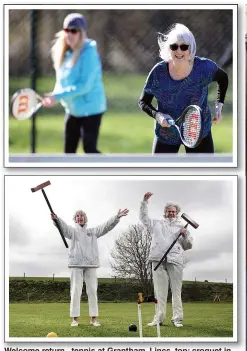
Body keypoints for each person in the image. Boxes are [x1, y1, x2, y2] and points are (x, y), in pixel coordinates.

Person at [138, 23, 229, 154]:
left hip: (198, 132)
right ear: (168, 49)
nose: (179, 51)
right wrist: (158, 116)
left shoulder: (203, 68)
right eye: (174, 46)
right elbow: (143, 102)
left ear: (190, 49)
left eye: (184, 47)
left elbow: (223, 78)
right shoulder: (158, 72)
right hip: (166, 134)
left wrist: (218, 107)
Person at [51, 207, 129, 327]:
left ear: (85, 218)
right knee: (75, 291)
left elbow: (106, 226)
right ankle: (75, 319)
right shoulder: (72, 231)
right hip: (76, 264)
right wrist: (57, 220)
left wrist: (117, 217)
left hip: (91, 264)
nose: (80, 217)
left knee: (92, 291)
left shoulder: (93, 232)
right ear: (75, 219)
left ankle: (93, 319)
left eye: (82, 215)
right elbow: (63, 227)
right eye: (77, 215)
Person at [42, 13, 106, 154]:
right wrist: (53, 96)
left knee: (89, 150)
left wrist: (57, 96)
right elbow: (61, 82)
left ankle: (111, 172)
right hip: (72, 110)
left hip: (91, 110)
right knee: (68, 152)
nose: (69, 34)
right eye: (66, 30)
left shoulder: (89, 54)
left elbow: (84, 86)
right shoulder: (64, 53)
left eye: (74, 30)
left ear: (81, 33)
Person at [139, 192, 193, 328]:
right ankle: (159, 318)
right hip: (158, 258)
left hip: (175, 259)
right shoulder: (157, 224)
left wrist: (185, 235)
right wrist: (144, 202)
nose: (171, 213)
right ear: (165, 212)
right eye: (168, 211)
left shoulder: (182, 227)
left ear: (177, 213)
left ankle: (177, 319)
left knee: (176, 291)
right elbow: (143, 218)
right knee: (159, 291)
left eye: (173, 211)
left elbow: (188, 246)